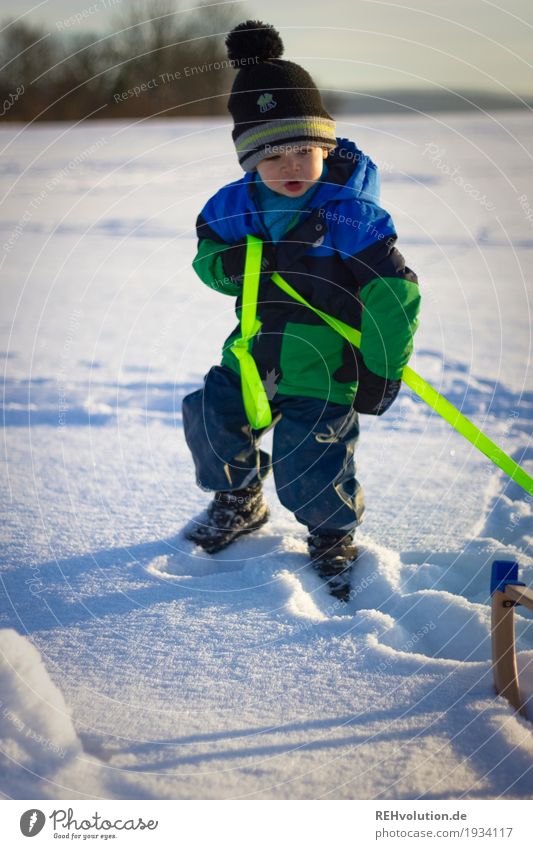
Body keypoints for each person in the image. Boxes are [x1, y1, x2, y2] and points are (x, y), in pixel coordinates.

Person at [182, 20, 421, 598]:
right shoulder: (233, 206)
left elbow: (395, 298)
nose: (290, 166)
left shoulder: (351, 217)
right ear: (248, 160)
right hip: (251, 355)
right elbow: (206, 257)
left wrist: (382, 369)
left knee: (312, 463)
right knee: (210, 418)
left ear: (325, 147)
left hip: (324, 366)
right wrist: (230, 267)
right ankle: (238, 500)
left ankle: (332, 535)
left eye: (303, 152)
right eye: (272, 155)